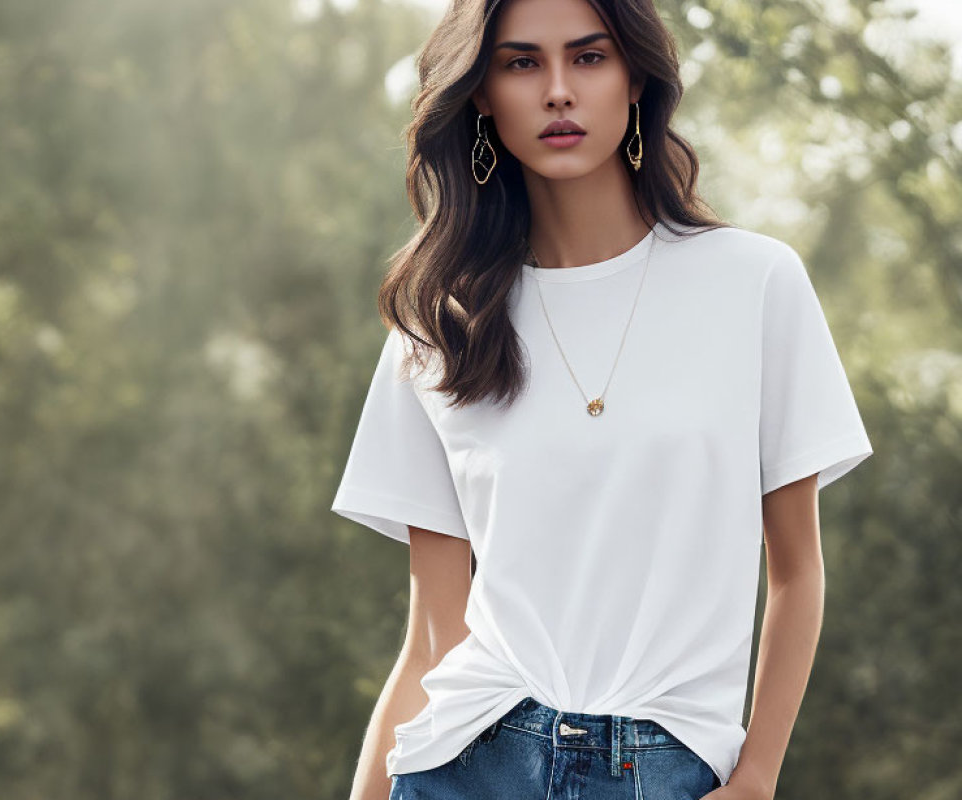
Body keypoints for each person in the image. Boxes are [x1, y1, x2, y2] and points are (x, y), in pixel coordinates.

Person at [331, 0, 874, 796]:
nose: (558, 90)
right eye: (522, 63)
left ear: (635, 78)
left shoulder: (753, 284)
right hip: (469, 762)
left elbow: (795, 571)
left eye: (589, 58)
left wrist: (758, 776)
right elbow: (432, 639)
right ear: (481, 92)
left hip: (669, 765)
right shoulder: (440, 328)